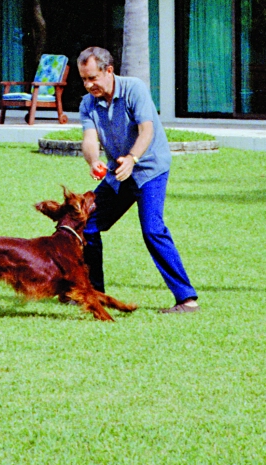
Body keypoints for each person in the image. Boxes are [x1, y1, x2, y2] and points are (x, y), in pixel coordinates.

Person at [78, 46, 199, 314]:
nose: (89, 85)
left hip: (149, 169)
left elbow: (147, 130)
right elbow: (89, 138)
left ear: (109, 71)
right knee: (87, 225)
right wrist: (92, 161)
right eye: (84, 79)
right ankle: (95, 293)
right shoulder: (88, 103)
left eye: (93, 78)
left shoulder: (134, 89)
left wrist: (132, 158)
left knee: (152, 229)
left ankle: (187, 300)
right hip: (118, 173)